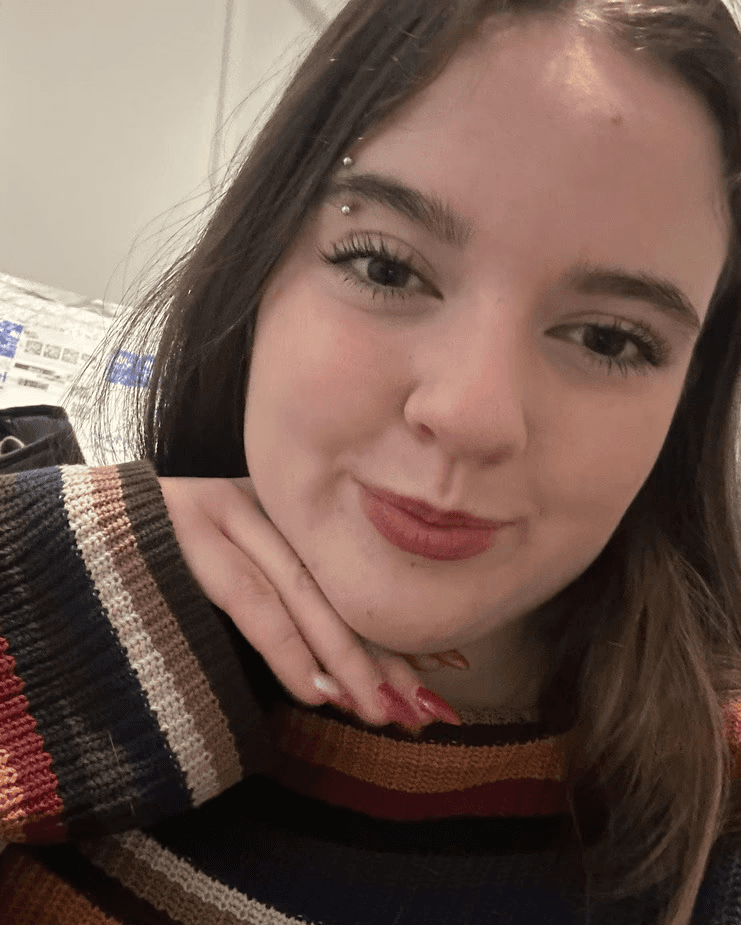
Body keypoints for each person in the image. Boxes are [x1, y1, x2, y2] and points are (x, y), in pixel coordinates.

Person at [2, 0, 741, 922]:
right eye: (385, 268)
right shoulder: (39, 592)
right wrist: (34, 603)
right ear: (260, 265)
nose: (470, 416)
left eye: (608, 337)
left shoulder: (709, 844)